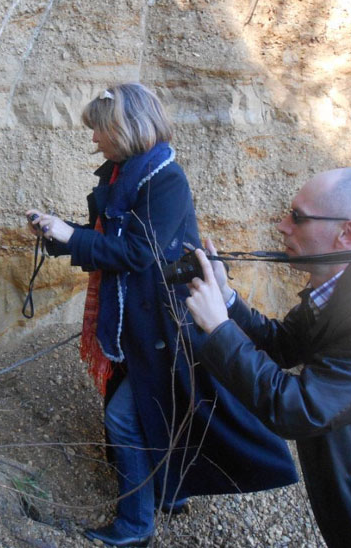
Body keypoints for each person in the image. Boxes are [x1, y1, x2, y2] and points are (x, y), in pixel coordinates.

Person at [25, 83, 297, 547]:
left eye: (99, 130)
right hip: (141, 319)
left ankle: (135, 526)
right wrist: (56, 235)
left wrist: (71, 235)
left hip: (169, 326)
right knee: (163, 409)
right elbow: (112, 246)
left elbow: (136, 251)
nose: (93, 139)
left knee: (126, 418)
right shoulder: (124, 173)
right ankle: (168, 492)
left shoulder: (165, 178)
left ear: (124, 129)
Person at [185, 167, 351, 548]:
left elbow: (297, 409)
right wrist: (227, 298)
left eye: (297, 217)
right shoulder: (345, 287)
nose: (282, 226)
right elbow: (281, 345)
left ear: (348, 233)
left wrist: (219, 330)